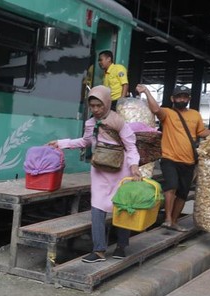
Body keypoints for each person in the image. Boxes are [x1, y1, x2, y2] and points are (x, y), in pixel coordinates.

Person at [49, 85, 142, 262]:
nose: (96, 110)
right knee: (97, 208)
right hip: (99, 172)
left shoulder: (118, 122)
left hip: (120, 171)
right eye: (92, 106)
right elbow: (85, 142)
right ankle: (99, 250)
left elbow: (131, 147)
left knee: (122, 207)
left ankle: (122, 246)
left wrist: (134, 166)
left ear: (107, 103)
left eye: (99, 105)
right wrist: (61, 143)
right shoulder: (90, 123)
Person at [136, 84, 210, 232]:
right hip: (170, 158)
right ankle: (168, 219)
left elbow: (201, 132)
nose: (182, 99)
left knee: (183, 192)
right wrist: (147, 92)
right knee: (172, 185)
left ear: (189, 99)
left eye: (185, 96)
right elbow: (155, 110)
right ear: (172, 98)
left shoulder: (195, 114)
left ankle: (174, 221)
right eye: (179, 96)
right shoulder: (167, 113)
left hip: (189, 161)